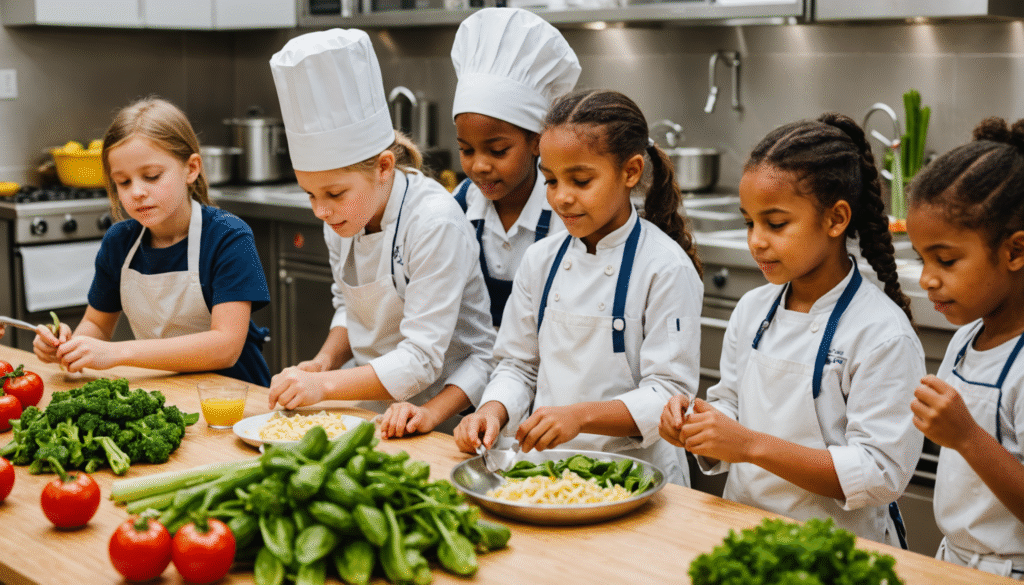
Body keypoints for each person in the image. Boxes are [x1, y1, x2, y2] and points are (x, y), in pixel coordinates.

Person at [660, 113, 924, 545]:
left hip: (836, 548)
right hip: (745, 533)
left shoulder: (882, 334)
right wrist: (699, 424)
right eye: (749, 222)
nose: (756, 241)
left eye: (776, 223)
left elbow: (879, 474)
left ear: (836, 219)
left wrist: (749, 445)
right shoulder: (752, 309)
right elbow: (730, 403)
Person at [453, 89, 705, 486]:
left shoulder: (665, 267)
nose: (561, 198)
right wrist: (492, 409)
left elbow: (669, 393)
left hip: (638, 477)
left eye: (581, 181)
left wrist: (580, 416)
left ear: (631, 172)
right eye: (551, 181)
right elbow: (518, 365)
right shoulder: (541, 259)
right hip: (550, 475)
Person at [265, 28, 495, 431]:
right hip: (372, 403)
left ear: (384, 168)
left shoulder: (434, 223)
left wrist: (323, 386)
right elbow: (349, 306)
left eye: (334, 193)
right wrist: (323, 362)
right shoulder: (341, 216)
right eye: (309, 194)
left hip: (447, 410)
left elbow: (422, 358)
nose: (321, 210)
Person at [377, 7, 580, 439]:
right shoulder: (454, 212)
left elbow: (534, 351)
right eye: (466, 150)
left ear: (536, 142)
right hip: (476, 414)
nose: (479, 166)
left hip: (560, 414)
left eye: (497, 150)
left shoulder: (569, 219)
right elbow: (469, 340)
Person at [33, 97, 271, 386]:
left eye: (151, 176)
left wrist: (118, 353)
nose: (137, 192)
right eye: (123, 182)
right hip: (163, 391)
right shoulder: (119, 242)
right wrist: (68, 348)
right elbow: (96, 324)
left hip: (234, 396)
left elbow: (225, 347)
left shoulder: (228, 237)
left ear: (191, 168)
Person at [906, 117, 1024, 578]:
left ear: (1015, 251)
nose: (927, 279)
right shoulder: (965, 337)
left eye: (946, 260)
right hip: (954, 561)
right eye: (921, 258)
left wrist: (967, 437)